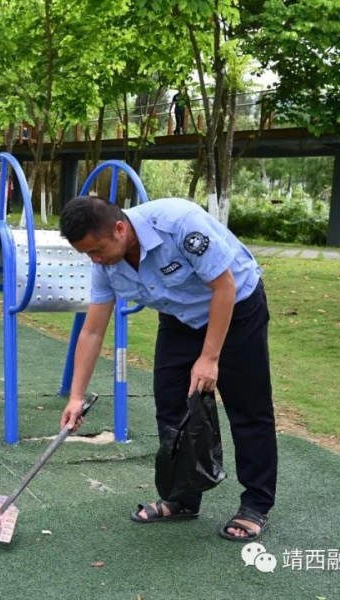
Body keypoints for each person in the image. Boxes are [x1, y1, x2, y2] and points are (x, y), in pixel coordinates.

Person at [57, 195, 276, 543]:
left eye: (97, 250)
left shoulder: (179, 224)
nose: (95, 260)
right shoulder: (105, 264)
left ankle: (255, 504)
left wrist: (210, 358)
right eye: (87, 254)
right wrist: (76, 397)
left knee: (248, 409)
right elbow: (93, 330)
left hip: (236, 307)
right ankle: (182, 497)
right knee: (171, 405)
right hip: (180, 317)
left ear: (119, 228)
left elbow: (224, 287)